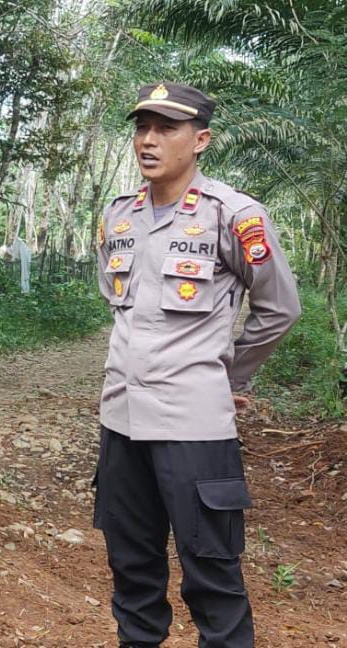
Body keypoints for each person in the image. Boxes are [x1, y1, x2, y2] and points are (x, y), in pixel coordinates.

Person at [93, 82, 301, 648]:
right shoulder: (118, 216)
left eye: (166, 128)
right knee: (131, 570)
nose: (149, 140)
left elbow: (279, 308)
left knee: (211, 572)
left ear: (200, 139)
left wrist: (226, 378)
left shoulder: (232, 215)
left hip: (194, 427)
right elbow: (120, 308)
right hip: (121, 420)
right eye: (142, 127)